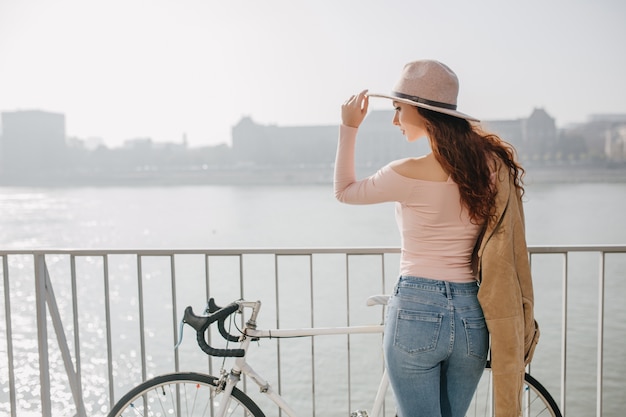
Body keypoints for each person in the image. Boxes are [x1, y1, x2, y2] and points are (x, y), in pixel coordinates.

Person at [334, 60, 538, 417]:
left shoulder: (405, 173)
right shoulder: (490, 168)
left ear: (422, 112)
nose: (394, 120)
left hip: (416, 308)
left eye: (398, 110)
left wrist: (348, 128)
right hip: (473, 316)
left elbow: (345, 191)